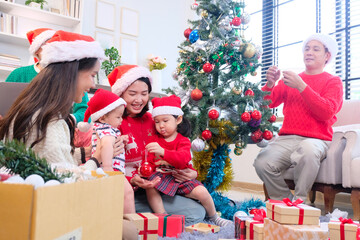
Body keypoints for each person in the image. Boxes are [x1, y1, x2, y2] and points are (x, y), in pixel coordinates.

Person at [0, 30, 138, 240]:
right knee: (130, 231)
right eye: (92, 75)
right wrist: (95, 159)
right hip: (49, 217)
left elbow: (45, 158)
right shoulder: (48, 119)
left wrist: (85, 154)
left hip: (32, 208)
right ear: (71, 72)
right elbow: (65, 183)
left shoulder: (38, 109)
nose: (93, 84)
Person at [107, 65, 206, 225]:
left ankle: (150, 219)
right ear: (121, 94)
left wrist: (192, 173)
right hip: (127, 191)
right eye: (132, 94)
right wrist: (132, 180)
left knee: (197, 213)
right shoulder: (114, 123)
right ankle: (139, 219)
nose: (139, 100)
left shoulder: (154, 120)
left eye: (144, 94)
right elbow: (106, 166)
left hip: (157, 186)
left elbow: (176, 148)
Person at [253, 33, 344, 202]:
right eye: (307, 49)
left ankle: (301, 202)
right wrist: (271, 83)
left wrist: (302, 86)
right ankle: (286, 202)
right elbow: (266, 105)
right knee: (262, 162)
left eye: (316, 49)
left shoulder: (333, 81)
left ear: (327, 56)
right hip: (287, 138)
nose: (309, 52)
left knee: (308, 152)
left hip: (317, 139)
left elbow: (326, 112)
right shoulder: (291, 80)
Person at [142, 95, 232, 226]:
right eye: (157, 121)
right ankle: (162, 216)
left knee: (202, 192)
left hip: (180, 178)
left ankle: (214, 217)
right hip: (162, 178)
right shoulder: (154, 140)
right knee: (150, 185)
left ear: (178, 119)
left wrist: (163, 152)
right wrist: (144, 169)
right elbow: (149, 162)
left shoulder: (183, 141)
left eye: (165, 121)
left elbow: (183, 160)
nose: (161, 125)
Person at [5, 28, 89, 124]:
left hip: (58, 131)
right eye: (47, 44)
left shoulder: (70, 76)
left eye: (55, 44)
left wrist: (65, 121)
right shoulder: (18, 74)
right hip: (19, 129)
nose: (52, 48)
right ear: (36, 50)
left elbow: (85, 112)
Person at [77, 88, 135, 214]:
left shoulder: (102, 128)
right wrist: (108, 167)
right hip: (111, 170)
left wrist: (120, 139)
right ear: (103, 117)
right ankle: (132, 223)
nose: (121, 120)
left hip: (105, 170)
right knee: (128, 193)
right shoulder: (106, 130)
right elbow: (106, 144)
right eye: (118, 117)